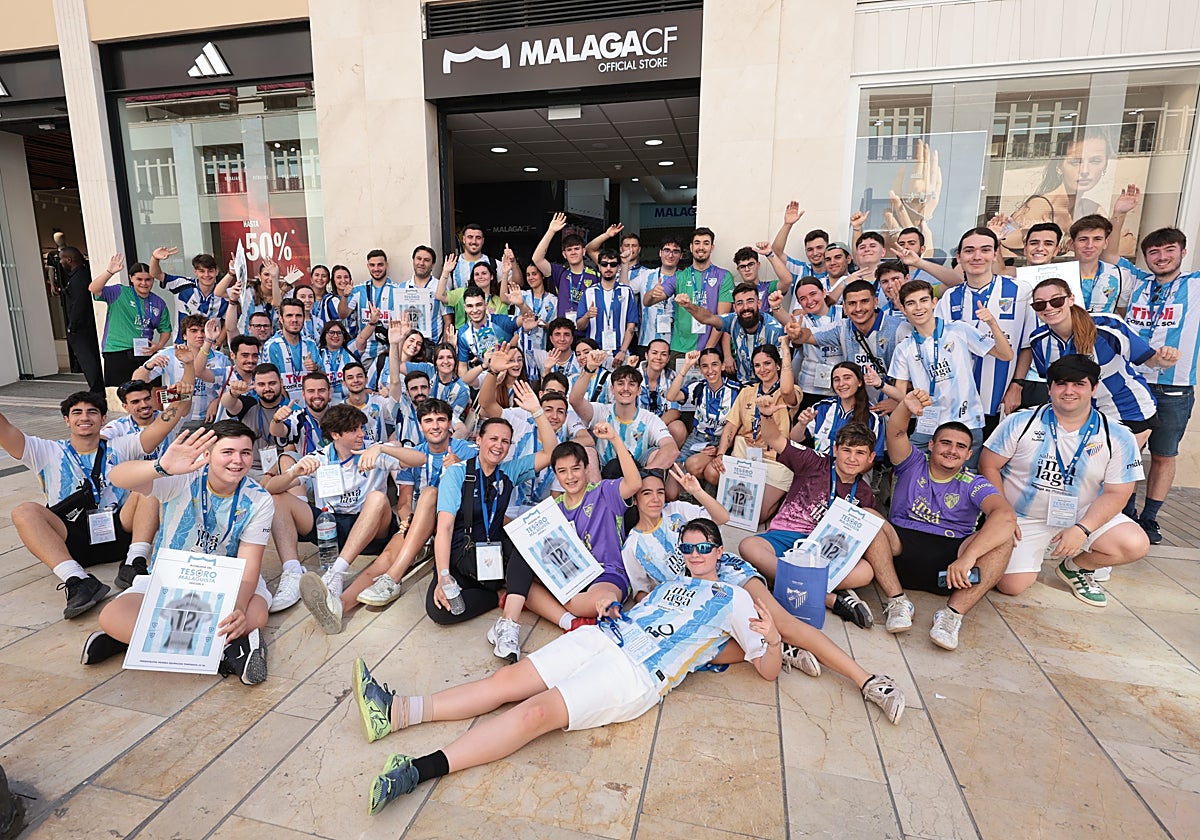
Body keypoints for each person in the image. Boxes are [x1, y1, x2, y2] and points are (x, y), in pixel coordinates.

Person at [351, 519, 782, 816]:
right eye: (687, 547)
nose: (695, 554)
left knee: (536, 714)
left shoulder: (735, 598)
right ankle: (396, 711)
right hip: (605, 636)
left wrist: (775, 640)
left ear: (718, 551)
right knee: (507, 680)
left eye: (703, 547)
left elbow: (765, 668)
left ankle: (416, 771)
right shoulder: (669, 585)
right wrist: (612, 607)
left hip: (634, 673)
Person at [621, 471, 905, 722]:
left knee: (784, 624)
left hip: (726, 575)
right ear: (635, 498)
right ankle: (780, 649)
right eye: (647, 493)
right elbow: (642, 591)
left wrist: (696, 490)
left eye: (660, 491)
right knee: (701, 652)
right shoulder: (633, 546)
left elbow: (721, 518)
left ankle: (867, 680)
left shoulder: (677, 510)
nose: (656, 499)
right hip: (695, 600)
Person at [86, 423, 275, 685]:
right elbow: (118, 476)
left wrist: (239, 608)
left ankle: (139, 640)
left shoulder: (259, 499)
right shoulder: (182, 477)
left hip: (226, 583)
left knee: (255, 615)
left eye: (245, 452)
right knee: (111, 616)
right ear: (207, 454)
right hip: (169, 580)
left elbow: (250, 562)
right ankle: (227, 653)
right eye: (227, 452)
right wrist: (160, 466)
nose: (237, 460)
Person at [979, 355, 1149, 606]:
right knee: (1010, 586)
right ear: (1049, 389)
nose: (1069, 391)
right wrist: (1003, 514)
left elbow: (1118, 493)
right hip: (1023, 517)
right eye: (1061, 384)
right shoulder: (1020, 421)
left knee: (1134, 544)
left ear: (1094, 389)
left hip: (1081, 515)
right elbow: (988, 465)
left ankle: (1077, 567)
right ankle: (1040, 549)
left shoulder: (1118, 435)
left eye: (1079, 384)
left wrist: (1082, 529)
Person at [3, 390, 185, 618]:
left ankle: (134, 562)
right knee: (23, 511)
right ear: (66, 420)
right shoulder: (45, 450)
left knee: (149, 481)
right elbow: (5, 431)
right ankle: (77, 579)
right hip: (71, 539)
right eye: (77, 412)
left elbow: (161, 427)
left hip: (119, 530)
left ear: (103, 418)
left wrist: (181, 397)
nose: (85, 417)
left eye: (92, 412)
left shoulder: (121, 446)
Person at [865, 389, 1018, 649]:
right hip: (899, 550)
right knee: (868, 517)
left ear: (968, 454)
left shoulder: (974, 483)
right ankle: (898, 601)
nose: (952, 450)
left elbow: (1005, 515)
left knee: (1004, 540)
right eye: (946, 443)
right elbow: (897, 432)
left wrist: (969, 558)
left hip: (952, 566)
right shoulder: (912, 463)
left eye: (961, 446)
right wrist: (905, 407)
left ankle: (951, 615)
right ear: (932, 445)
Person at [485, 427, 640, 661]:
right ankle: (563, 622)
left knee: (592, 600)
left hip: (606, 573)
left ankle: (583, 613)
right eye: (562, 471)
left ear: (586, 468)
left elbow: (634, 483)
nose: (570, 477)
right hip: (568, 577)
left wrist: (615, 439)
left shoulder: (604, 492)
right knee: (523, 576)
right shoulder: (553, 510)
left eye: (575, 469)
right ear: (556, 475)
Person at [263, 404, 418, 624]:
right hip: (330, 528)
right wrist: (293, 473)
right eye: (354, 430)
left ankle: (336, 573)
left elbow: (419, 459)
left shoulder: (373, 450)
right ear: (336, 434)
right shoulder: (320, 457)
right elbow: (270, 488)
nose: (361, 434)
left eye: (361, 428)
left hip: (372, 528)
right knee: (278, 499)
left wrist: (384, 449)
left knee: (377, 498)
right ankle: (292, 572)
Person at [737, 414, 891, 629]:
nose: (852, 458)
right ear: (835, 450)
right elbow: (774, 438)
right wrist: (767, 414)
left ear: (871, 457)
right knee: (749, 546)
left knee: (866, 571)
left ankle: (779, 582)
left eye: (860, 453)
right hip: (786, 536)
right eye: (846, 450)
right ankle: (829, 599)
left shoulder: (865, 494)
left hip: (825, 551)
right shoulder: (814, 461)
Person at [426, 389, 558, 637]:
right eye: (493, 439)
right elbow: (444, 527)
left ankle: (508, 617)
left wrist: (537, 411)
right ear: (479, 440)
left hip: (494, 553)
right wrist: (443, 575)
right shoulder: (457, 473)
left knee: (523, 547)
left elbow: (551, 453)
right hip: (461, 555)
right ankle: (498, 595)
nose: (499, 446)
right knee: (440, 612)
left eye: (505, 441)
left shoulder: (509, 471)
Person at [1122, 227, 1200, 544]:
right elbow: (1107, 254)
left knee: (1164, 455)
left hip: (1174, 388)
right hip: (1133, 383)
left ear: (1183, 252)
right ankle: (1124, 512)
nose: (1162, 257)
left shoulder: (1195, 285)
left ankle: (1150, 518)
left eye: (1169, 249)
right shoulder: (1137, 283)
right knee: (1127, 453)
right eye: (1154, 252)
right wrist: (1120, 213)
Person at [884, 278, 1013, 460]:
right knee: (909, 469)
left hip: (966, 422)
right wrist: (879, 384)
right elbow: (900, 394)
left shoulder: (958, 329)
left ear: (934, 303)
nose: (919, 308)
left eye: (923, 300)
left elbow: (1006, 355)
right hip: (928, 425)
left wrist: (992, 323)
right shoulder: (904, 348)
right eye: (911, 303)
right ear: (903, 310)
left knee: (964, 476)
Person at [934, 228, 1034, 439]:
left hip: (1001, 397)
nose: (977, 256)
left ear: (995, 254)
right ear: (959, 257)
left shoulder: (1021, 291)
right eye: (969, 250)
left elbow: (1027, 345)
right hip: (957, 401)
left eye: (985, 250)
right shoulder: (949, 297)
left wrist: (1017, 385)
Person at [707, 342, 797, 520]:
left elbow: (787, 390)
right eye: (757, 365)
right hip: (745, 452)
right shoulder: (747, 391)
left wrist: (786, 350)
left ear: (778, 365)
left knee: (757, 515)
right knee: (711, 471)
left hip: (774, 457)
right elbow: (731, 425)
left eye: (767, 363)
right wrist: (721, 453)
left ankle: (775, 500)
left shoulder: (789, 392)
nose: (762, 369)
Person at [788, 279, 910, 410]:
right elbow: (809, 336)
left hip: (894, 406)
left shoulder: (899, 329)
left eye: (864, 301)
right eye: (852, 303)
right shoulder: (842, 328)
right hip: (859, 406)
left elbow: (916, 372)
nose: (858, 308)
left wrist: (897, 401)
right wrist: (798, 334)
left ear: (875, 302)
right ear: (844, 308)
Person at [569, 352, 680, 477]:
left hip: (639, 473)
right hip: (604, 473)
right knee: (588, 452)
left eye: (631, 384)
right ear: (612, 389)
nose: (626, 388)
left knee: (656, 453)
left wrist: (643, 475)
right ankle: (597, 489)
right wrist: (589, 369)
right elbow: (575, 400)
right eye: (620, 383)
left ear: (639, 390)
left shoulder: (649, 418)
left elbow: (671, 449)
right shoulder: (601, 411)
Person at [90, 254, 172, 388]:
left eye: (148, 279)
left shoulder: (159, 302)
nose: (144, 283)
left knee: (151, 391)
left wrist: (158, 346)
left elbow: (165, 329)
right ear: (131, 278)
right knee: (121, 392)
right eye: (139, 279)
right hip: (118, 351)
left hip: (145, 352)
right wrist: (109, 272)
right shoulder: (119, 292)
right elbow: (94, 289)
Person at [677, 283, 785, 384]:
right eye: (740, 303)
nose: (745, 307)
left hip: (769, 385)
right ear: (735, 308)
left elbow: (783, 367)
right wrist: (689, 306)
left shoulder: (774, 330)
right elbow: (707, 318)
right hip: (743, 384)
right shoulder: (733, 320)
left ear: (759, 304)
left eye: (750, 301)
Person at [666, 348, 741, 480]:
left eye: (714, 364)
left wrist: (719, 449)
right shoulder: (698, 387)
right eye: (705, 366)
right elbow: (671, 396)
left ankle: (706, 484)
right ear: (700, 369)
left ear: (723, 366)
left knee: (694, 465)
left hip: (722, 442)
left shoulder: (736, 390)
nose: (710, 370)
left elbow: (736, 426)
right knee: (674, 479)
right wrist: (686, 366)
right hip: (698, 438)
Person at [793, 362, 885, 459]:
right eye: (836, 380)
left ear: (859, 382)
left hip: (854, 468)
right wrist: (802, 424)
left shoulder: (873, 416)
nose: (841, 384)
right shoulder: (822, 407)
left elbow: (874, 457)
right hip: (820, 466)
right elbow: (795, 438)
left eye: (847, 378)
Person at [667, 228, 735, 355]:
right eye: (697, 243)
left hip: (710, 350)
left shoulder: (724, 276)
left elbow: (722, 319)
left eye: (706, 243)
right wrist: (653, 294)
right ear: (691, 247)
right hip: (680, 349)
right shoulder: (680, 276)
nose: (701, 247)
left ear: (712, 247)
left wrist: (707, 350)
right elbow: (649, 299)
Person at [150, 248, 229, 343]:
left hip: (208, 346)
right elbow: (156, 274)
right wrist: (155, 258)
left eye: (210, 271)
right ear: (195, 272)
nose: (206, 275)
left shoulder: (224, 294)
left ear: (216, 271)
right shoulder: (182, 284)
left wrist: (218, 343)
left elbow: (229, 322)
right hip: (182, 346)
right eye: (202, 271)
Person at [575, 248, 639, 365]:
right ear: (599, 267)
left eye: (613, 265)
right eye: (604, 264)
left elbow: (631, 326)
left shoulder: (626, 291)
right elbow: (580, 326)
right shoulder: (589, 292)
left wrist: (623, 351)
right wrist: (587, 316)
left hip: (619, 353)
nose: (608, 268)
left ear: (618, 267)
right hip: (594, 353)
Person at [532, 212, 599, 321]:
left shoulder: (595, 275)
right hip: (564, 328)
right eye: (569, 250)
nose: (573, 252)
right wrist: (551, 231)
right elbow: (537, 259)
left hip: (588, 327)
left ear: (583, 251)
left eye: (577, 248)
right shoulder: (560, 272)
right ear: (564, 254)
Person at [791, 276, 843, 408]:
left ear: (824, 292)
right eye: (803, 298)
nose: (809, 301)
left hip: (842, 385)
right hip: (810, 387)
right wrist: (777, 308)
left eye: (813, 294)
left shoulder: (844, 312)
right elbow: (794, 334)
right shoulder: (801, 321)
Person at [58, 246, 104, 393]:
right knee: (89, 358)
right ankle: (97, 388)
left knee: (88, 359)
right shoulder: (79, 276)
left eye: (61, 259)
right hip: (84, 326)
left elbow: (79, 303)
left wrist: (73, 326)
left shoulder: (79, 278)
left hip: (82, 327)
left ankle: (97, 390)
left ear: (69, 259)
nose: (60, 262)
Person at [631, 237, 684, 356]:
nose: (670, 255)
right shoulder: (646, 275)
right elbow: (625, 290)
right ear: (660, 253)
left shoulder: (685, 278)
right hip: (647, 341)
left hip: (676, 344)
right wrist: (624, 264)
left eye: (675, 251)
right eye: (667, 250)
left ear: (681, 256)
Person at [1069, 215, 1132, 314]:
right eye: (1083, 239)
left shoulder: (1120, 275)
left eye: (1097, 239)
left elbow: (1124, 314)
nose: (1089, 245)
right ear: (1072, 244)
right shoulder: (1058, 273)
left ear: (1106, 243)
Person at [263, 298, 322, 405]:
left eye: (298, 315)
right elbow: (272, 382)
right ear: (281, 319)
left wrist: (316, 368)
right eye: (289, 315)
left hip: (311, 405)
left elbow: (323, 377)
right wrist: (291, 407)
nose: (294, 320)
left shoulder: (310, 344)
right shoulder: (272, 346)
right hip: (284, 406)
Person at [270, 372, 334, 456]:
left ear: (329, 393)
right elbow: (279, 432)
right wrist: (276, 420)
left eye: (321, 390)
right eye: (311, 391)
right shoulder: (297, 417)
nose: (316, 395)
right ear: (303, 395)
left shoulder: (341, 415)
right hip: (308, 463)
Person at [770, 202, 829, 282]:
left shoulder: (838, 272)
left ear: (828, 248)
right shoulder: (800, 269)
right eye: (810, 249)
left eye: (819, 248)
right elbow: (776, 253)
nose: (815, 253)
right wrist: (787, 224)